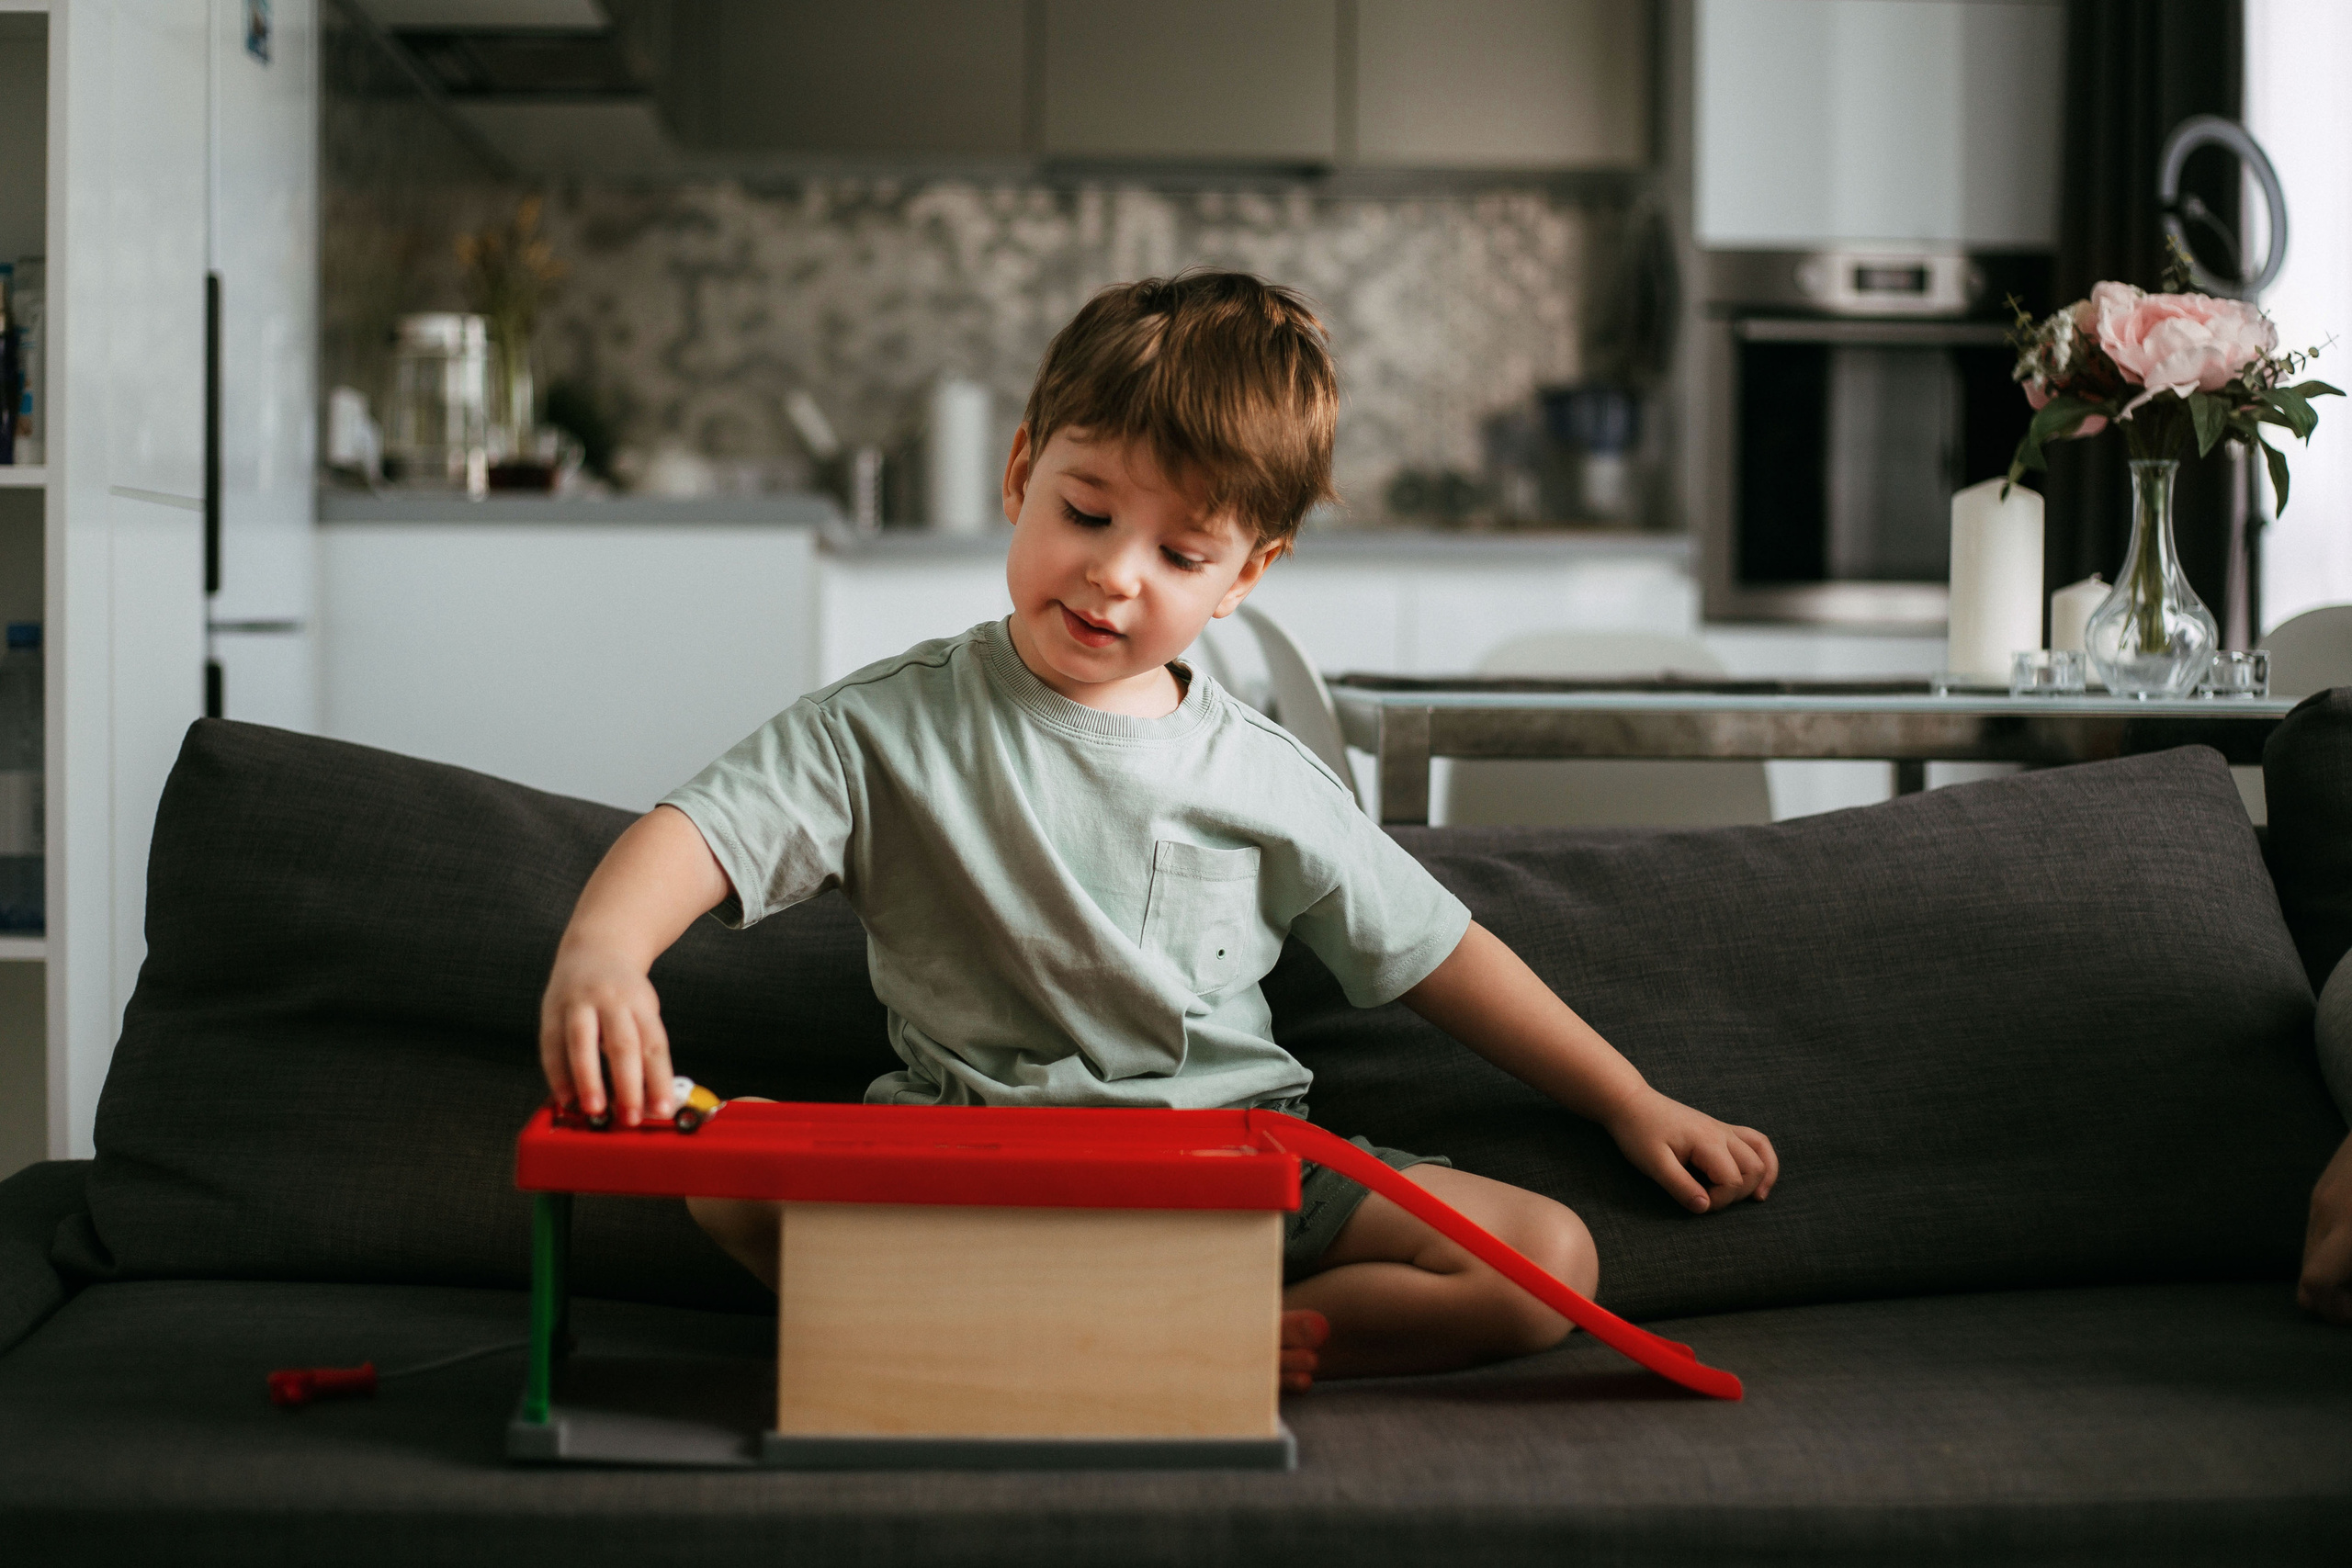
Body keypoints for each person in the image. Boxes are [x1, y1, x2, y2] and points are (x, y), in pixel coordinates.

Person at [537, 271, 1778, 1387]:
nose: (1116, 573)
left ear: (1245, 576)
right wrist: (605, 955)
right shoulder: (878, 729)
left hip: (1232, 1180)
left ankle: (1170, 1337)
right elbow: (701, 831)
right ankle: (1094, 1338)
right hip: (970, 1181)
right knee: (725, 1177)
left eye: (1181, 552)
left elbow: (1441, 952)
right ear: (1021, 472)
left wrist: (1628, 1099)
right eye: (1085, 513)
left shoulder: (1266, 774)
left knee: (1545, 1260)